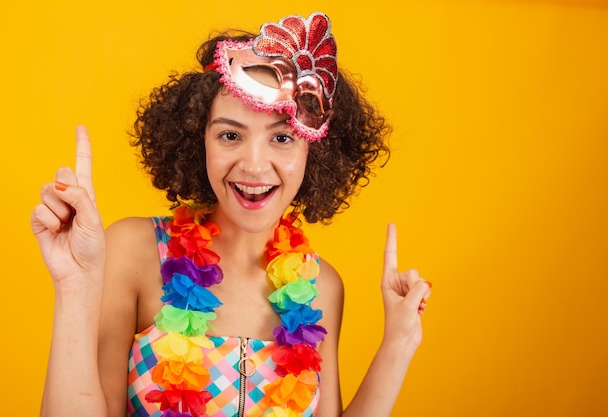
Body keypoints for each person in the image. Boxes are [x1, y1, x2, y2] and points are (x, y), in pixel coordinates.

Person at [31, 11, 432, 417]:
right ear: (197, 140)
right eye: (230, 135)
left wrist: (398, 344)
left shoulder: (319, 287)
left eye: (282, 137)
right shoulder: (134, 252)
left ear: (315, 150)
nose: (254, 166)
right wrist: (74, 289)